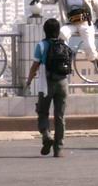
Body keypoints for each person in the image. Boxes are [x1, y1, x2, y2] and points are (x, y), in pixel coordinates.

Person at [25, 17, 71, 157]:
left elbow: (35, 66)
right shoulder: (64, 44)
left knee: (42, 112)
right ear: (58, 31)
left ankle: (46, 135)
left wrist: (28, 81)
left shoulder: (41, 45)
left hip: (46, 84)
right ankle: (59, 149)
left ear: (45, 31)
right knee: (60, 116)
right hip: (63, 82)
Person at [40, 0, 98, 70]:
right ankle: (64, 56)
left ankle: (93, 58)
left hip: (85, 22)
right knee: (62, 33)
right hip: (70, 22)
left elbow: (97, 4)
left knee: (89, 45)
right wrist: (40, 0)